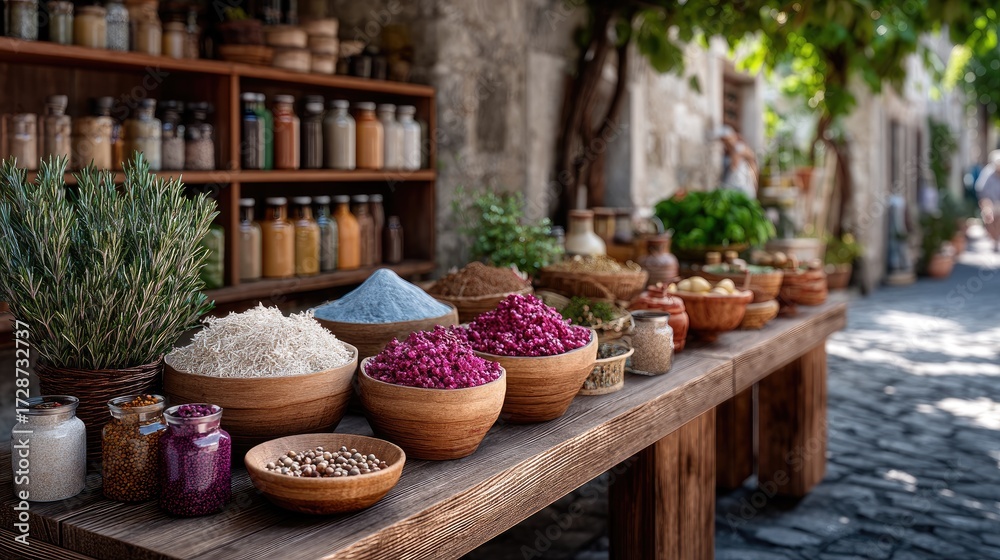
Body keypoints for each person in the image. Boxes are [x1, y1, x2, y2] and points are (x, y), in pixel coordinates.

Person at [717, 126, 758, 198]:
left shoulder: (740, 148)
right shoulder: (725, 154)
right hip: (731, 187)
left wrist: (755, 182)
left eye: (728, 140)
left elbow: (734, 166)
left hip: (741, 187)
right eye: (724, 141)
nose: (726, 143)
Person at [974, 149, 1000, 252]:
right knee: (990, 218)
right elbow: (980, 188)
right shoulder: (987, 173)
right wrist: (985, 203)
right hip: (989, 200)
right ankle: (993, 238)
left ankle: (996, 239)